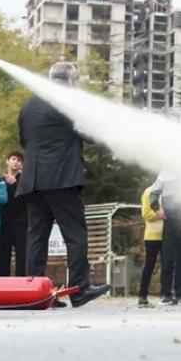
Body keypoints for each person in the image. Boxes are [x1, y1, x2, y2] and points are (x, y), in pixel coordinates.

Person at [18, 62, 109, 308]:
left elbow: (24, 140)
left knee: (37, 236)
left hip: (33, 180)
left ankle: (35, 294)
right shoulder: (67, 101)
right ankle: (80, 289)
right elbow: (90, 135)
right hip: (61, 179)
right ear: (70, 81)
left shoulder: (29, 105)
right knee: (75, 234)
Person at [0, 152, 27, 277]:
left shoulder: (26, 180)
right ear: (7, 161)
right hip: (3, 223)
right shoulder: (0, 181)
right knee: (3, 255)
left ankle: (22, 284)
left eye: (19, 160)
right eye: (13, 159)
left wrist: (15, 184)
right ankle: (3, 285)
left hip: (21, 222)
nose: (16, 162)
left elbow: (25, 200)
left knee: (22, 255)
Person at [138, 176, 165, 307]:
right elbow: (145, 214)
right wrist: (159, 216)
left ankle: (167, 295)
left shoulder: (167, 193)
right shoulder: (148, 192)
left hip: (167, 236)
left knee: (168, 266)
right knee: (149, 266)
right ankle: (142, 296)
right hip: (152, 236)